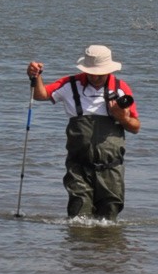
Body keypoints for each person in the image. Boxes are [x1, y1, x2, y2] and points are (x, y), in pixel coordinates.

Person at [26, 43, 139, 220]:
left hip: (111, 167)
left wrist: (122, 118)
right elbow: (41, 95)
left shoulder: (120, 88)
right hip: (78, 166)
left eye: (100, 73)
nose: (95, 77)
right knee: (78, 218)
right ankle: (79, 248)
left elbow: (135, 127)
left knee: (109, 218)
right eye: (92, 73)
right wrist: (36, 76)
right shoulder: (70, 84)